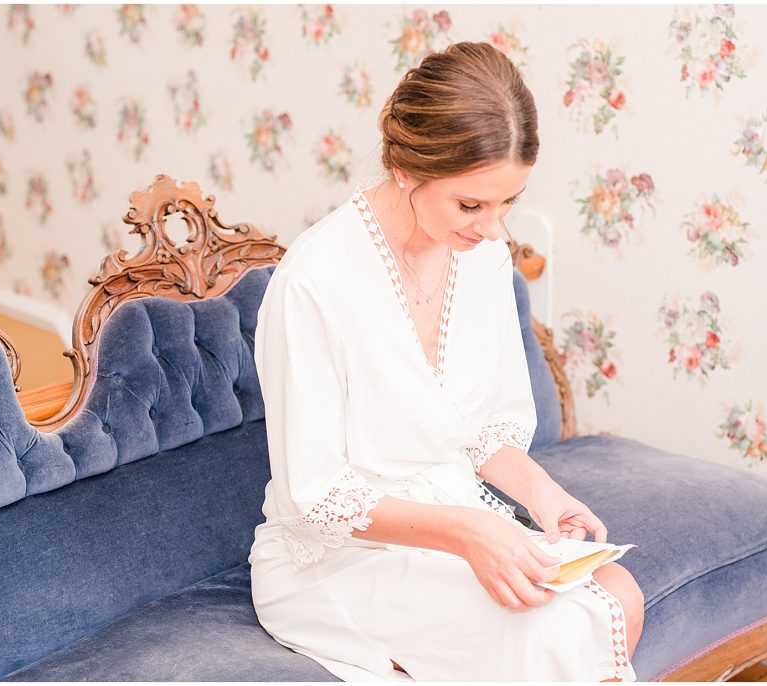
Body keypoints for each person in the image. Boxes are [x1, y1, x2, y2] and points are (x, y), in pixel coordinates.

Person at [248, 41, 643, 682]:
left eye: (509, 202)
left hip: (458, 518)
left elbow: (483, 432)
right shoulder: (315, 281)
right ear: (406, 170)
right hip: (337, 560)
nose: (493, 228)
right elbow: (318, 498)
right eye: (471, 204)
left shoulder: (480, 254)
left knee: (616, 593)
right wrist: (468, 534)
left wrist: (548, 500)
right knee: (561, 626)